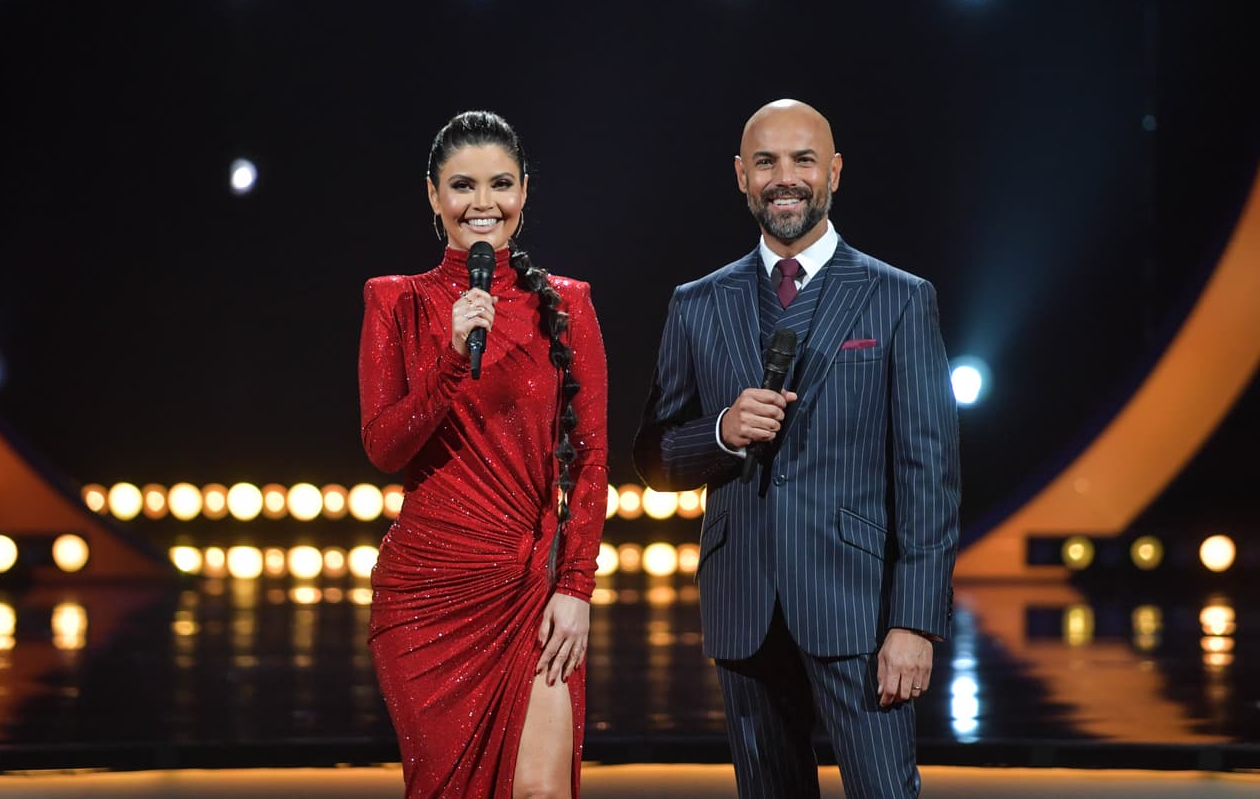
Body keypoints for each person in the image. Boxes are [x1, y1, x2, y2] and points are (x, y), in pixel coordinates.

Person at [633, 99, 960, 799]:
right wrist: (721, 432)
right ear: (741, 177)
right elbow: (655, 456)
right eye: (767, 162)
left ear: (834, 172)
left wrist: (915, 622)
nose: (786, 177)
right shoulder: (697, 303)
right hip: (743, 607)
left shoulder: (898, 298)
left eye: (803, 159)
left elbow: (930, 475)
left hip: (862, 615)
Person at [359, 110, 608, 798]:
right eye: (462, 185)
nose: (483, 203)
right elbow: (384, 447)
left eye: (501, 184)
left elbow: (590, 460)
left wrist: (576, 586)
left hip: (533, 585)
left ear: (525, 191)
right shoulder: (395, 302)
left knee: (541, 791)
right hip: (425, 593)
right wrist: (445, 360)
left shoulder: (569, 304)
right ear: (434, 195)